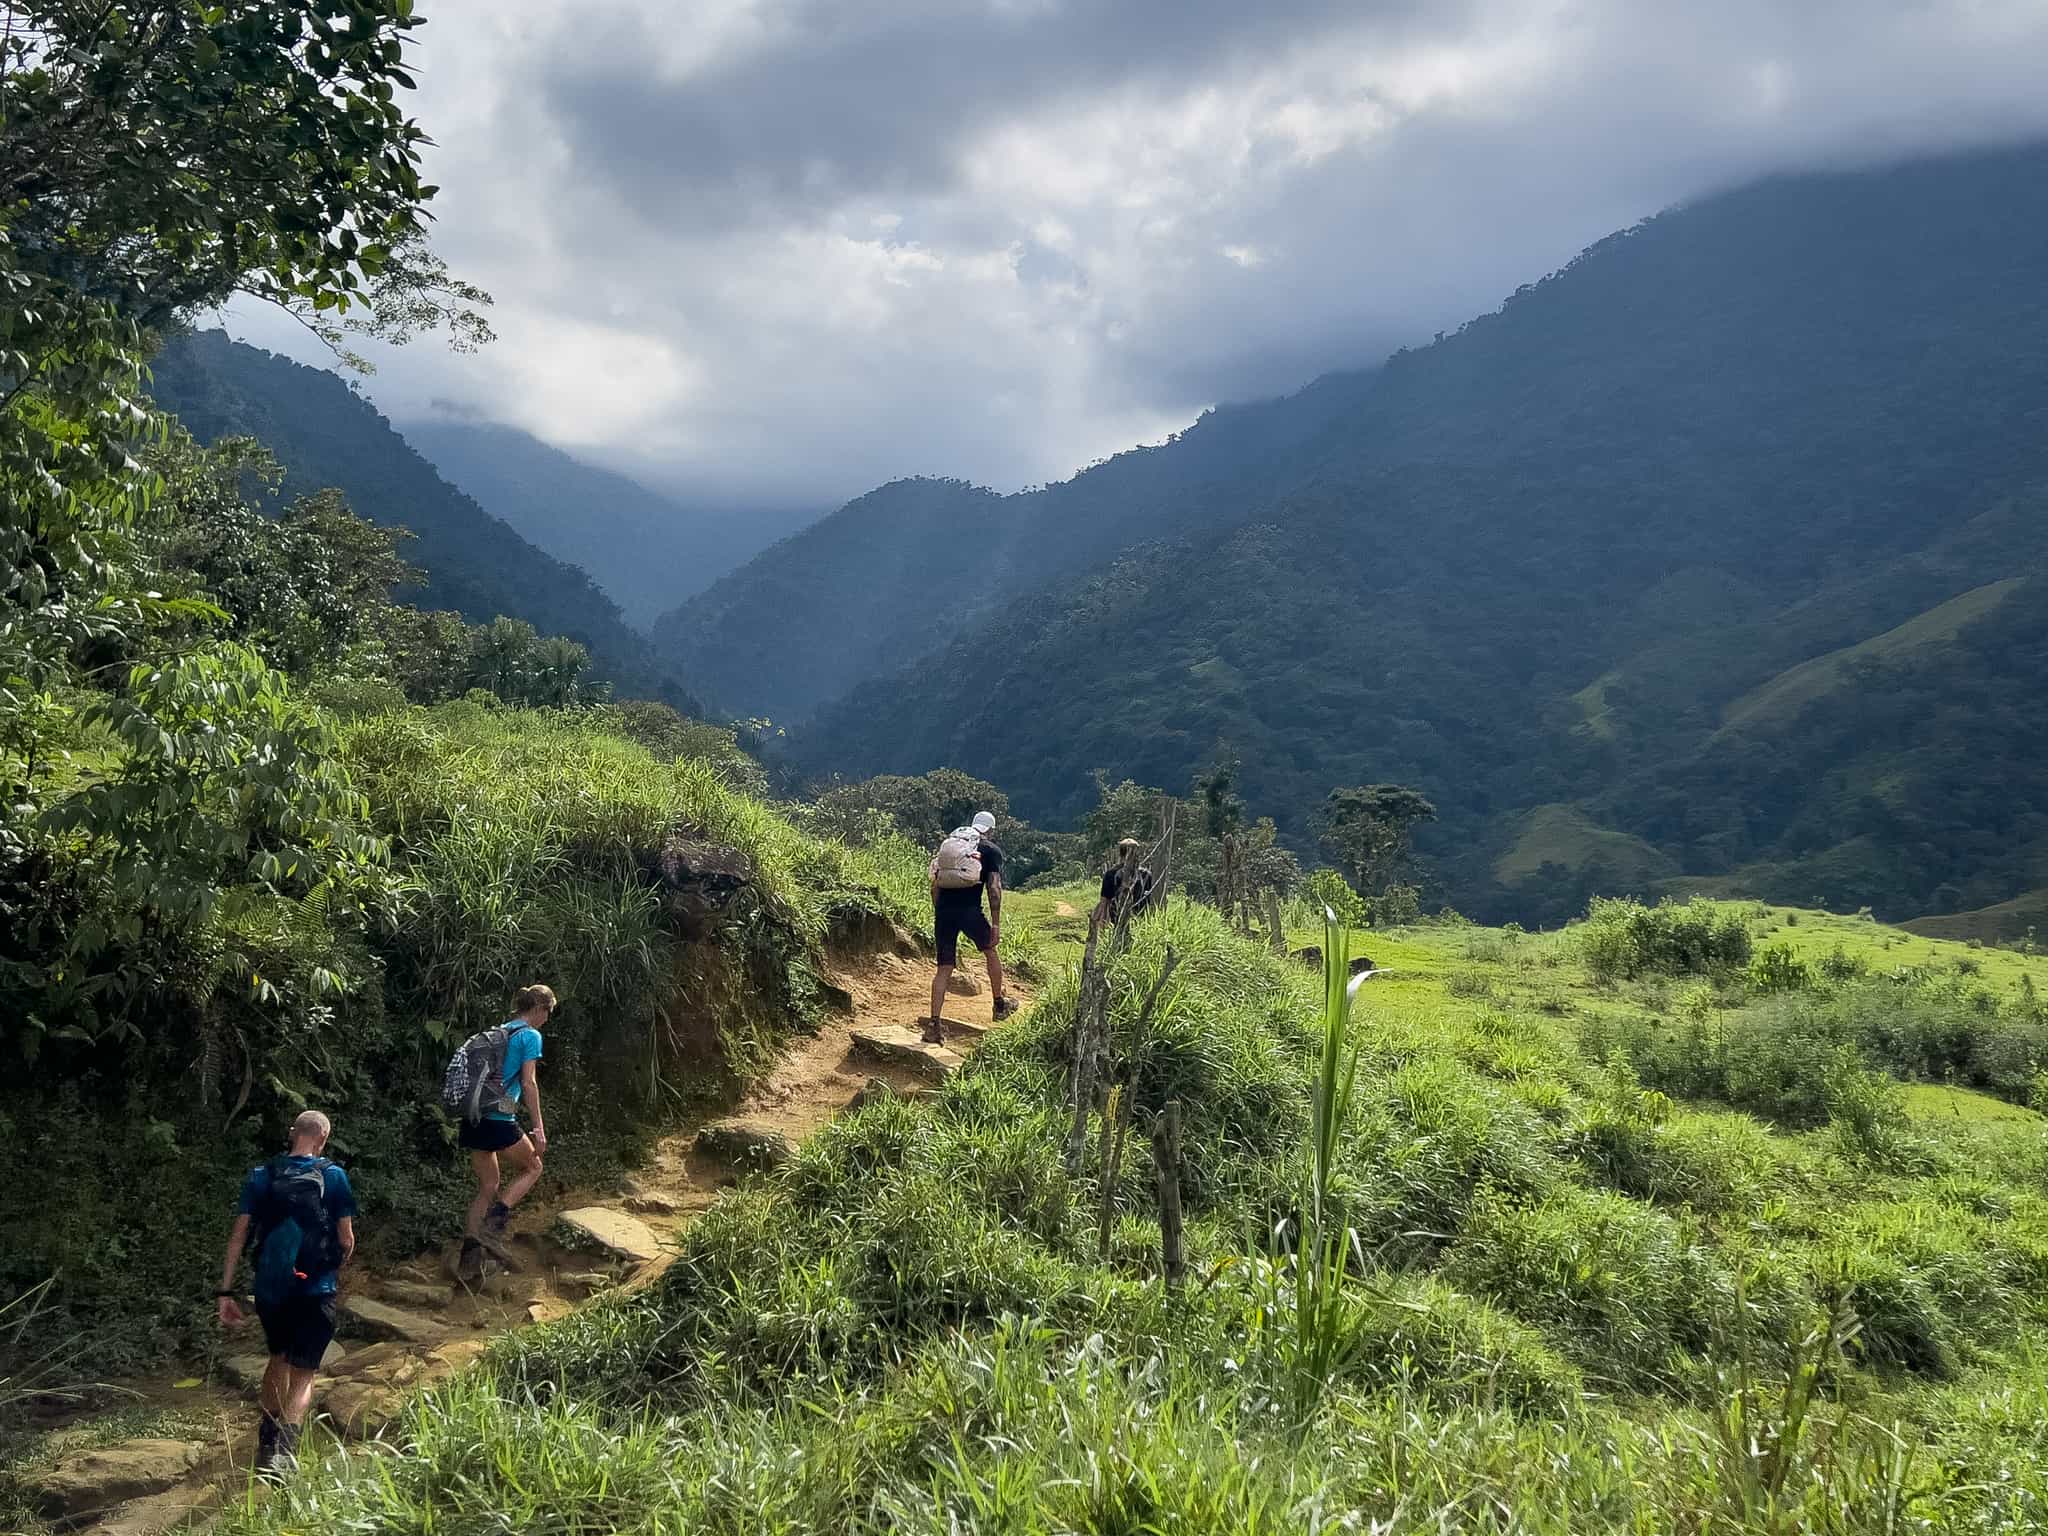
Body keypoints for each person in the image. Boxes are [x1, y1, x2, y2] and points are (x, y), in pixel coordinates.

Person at [217, 1109, 356, 1476]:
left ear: (292, 1132)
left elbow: (238, 1237)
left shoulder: (261, 1176)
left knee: (278, 1358)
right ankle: (285, 1449)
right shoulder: (334, 1177)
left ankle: (266, 1441)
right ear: (323, 1138)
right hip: (316, 1289)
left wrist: (225, 1292)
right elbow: (346, 1239)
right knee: (304, 1373)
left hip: (271, 1289)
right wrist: (332, 1265)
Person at [457, 983, 553, 1282]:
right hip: (499, 1118)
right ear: (538, 1009)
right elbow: (528, 1084)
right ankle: (494, 1225)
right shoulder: (530, 1036)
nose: (547, 1019)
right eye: (548, 1013)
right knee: (534, 1166)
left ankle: (468, 1263)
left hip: (473, 1116)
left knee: (489, 1184)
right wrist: (538, 1130)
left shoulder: (499, 1032)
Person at [926, 810, 1019, 1043]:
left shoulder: (952, 844)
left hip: (944, 912)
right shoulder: (990, 850)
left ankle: (934, 1025)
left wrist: (939, 910)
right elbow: (994, 888)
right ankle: (999, 1004)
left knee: (944, 968)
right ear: (991, 829)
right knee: (990, 952)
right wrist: (996, 924)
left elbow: (935, 884)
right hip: (970, 912)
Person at [1092, 837, 1159, 925]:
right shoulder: (1145, 874)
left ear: (1120, 853)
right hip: (1140, 919)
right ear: (1137, 854)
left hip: (1116, 918)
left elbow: (1104, 901)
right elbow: (1152, 899)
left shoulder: (1111, 873)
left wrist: (1102, 922)